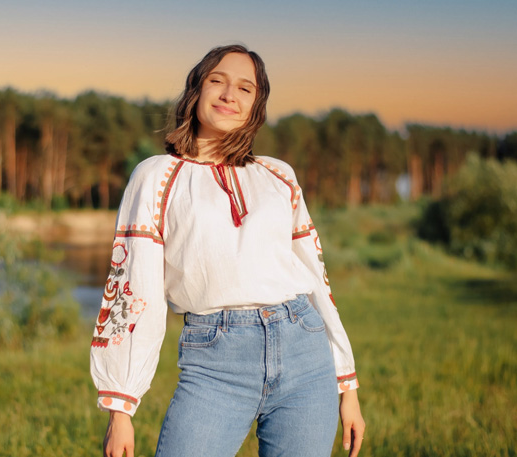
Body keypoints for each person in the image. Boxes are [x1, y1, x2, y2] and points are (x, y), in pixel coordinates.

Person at [90, 44, 365, 457]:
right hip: (215, 364)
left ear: (256, 106)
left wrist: (346, 384)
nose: (228, 95)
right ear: (196, 91)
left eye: (245, 88)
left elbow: (315, 278)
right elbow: (135, 290)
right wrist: (120, 407)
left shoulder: (278, 175)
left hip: (304, 354)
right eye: (217, 81)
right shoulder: (156, 176)